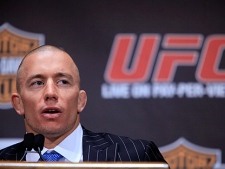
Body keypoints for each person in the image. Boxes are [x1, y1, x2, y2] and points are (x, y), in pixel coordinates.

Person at [0, 45, 167, 163]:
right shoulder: (4, 163)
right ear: (18, 103)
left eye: (63, 82)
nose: (50, 93)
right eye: (37, 83)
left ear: (81, 101)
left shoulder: (135, 157)